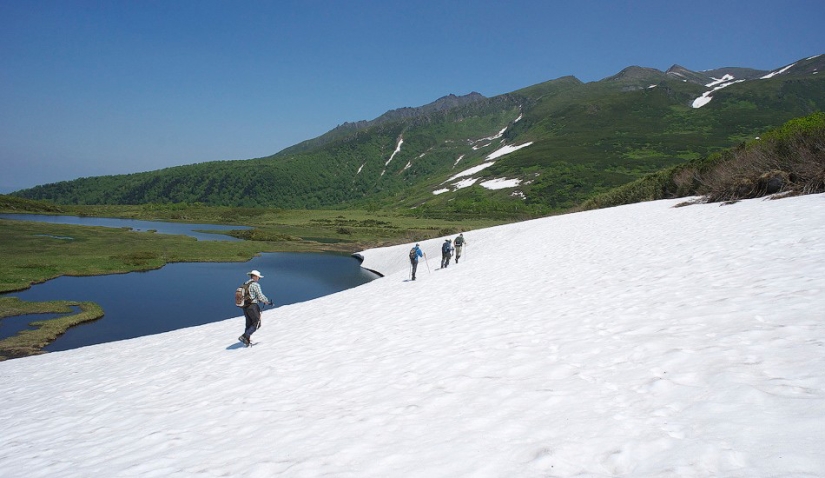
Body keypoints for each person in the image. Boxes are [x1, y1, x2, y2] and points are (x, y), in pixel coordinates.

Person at [238, 269, 272, 347]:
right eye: (258, 277)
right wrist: (267, 301)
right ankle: (244, 336)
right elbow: (260, 295)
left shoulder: (245, 284)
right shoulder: (255, 285)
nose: (258, 279)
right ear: (255, 276)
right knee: (257, 323)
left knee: (249, 324)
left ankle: (247, 341)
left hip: (245, 306)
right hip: (252, 306)